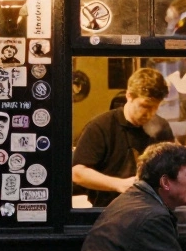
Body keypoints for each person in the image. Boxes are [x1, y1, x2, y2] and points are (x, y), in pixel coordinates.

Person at [72, 67, 175, 207]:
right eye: (145, 106)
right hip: (108, 212)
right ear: (129, 96)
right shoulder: (101, 127)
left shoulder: (161, 127)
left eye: (155, 107)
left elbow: (171, 169)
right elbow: (77, 173)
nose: (150, 114)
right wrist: (119, 184)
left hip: (153, 211)